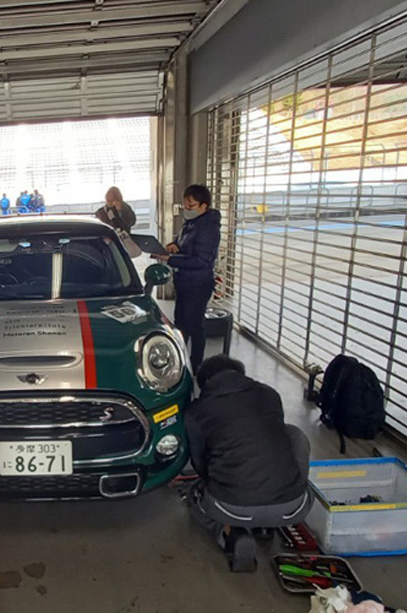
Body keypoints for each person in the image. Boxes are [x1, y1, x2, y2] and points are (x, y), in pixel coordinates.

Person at [184, 355, 309, 571]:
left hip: (231, 508)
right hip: (293, 507)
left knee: (194, 497)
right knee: (294, 434)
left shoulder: (196, 411)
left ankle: (231, 535)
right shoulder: (270, 394)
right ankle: (266, 526)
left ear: (205, 383)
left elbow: (200, 464)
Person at [151, 184, 220, 374]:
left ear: (204, 205)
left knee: (194, 325)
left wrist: (170, 259)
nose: (187, 209)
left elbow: (201, 260)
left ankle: (196, 365)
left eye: (191, 206)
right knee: (181, 322)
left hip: (198, 284)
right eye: (185, 205)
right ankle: (181, 358)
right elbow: (183, 242)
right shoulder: (192, 223)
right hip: (184, 281)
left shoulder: (208, 229)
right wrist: (173, 246)